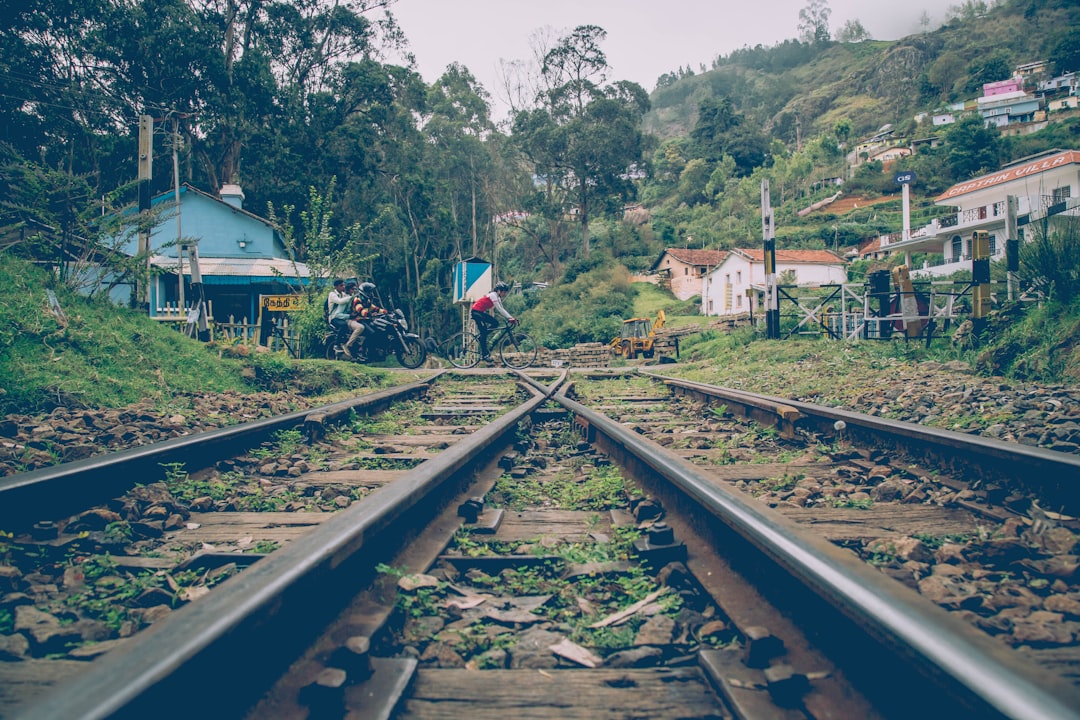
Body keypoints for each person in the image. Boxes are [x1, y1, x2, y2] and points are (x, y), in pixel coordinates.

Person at [471, 281, 515, 362]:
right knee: (484, 333)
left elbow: (502, 308)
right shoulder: (493, 295)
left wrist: (511, 318)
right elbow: (499, 309)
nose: (505, 294)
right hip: (476, 312)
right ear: (499, 291)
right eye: (504, 291)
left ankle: (483, 335)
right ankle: (484, 355)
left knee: (495, 323)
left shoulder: (497, 297)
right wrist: (510, 318)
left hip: (480, 312)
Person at [345, 282, 384, 359]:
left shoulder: (366, 300)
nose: (371, 293)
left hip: (365, 320)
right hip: (357, 320)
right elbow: (360, 310)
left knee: (377, 330)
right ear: (364, 291)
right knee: (371, 333)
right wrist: (370, 314)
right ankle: (362, 350)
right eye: (369, 291)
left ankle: (373, 352)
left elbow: (375, 308)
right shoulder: (357, 298)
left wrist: (386, 311)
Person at [327, 279, 354, 356]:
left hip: (343, 316)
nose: (343, 287)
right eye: (341, 285)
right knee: (344, 325)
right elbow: (340, 301)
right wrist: (351, 297)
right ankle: (337, 344)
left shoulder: (343, 294)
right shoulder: (332, 294)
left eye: (344, 285)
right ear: (336, 287)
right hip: (334, 317)